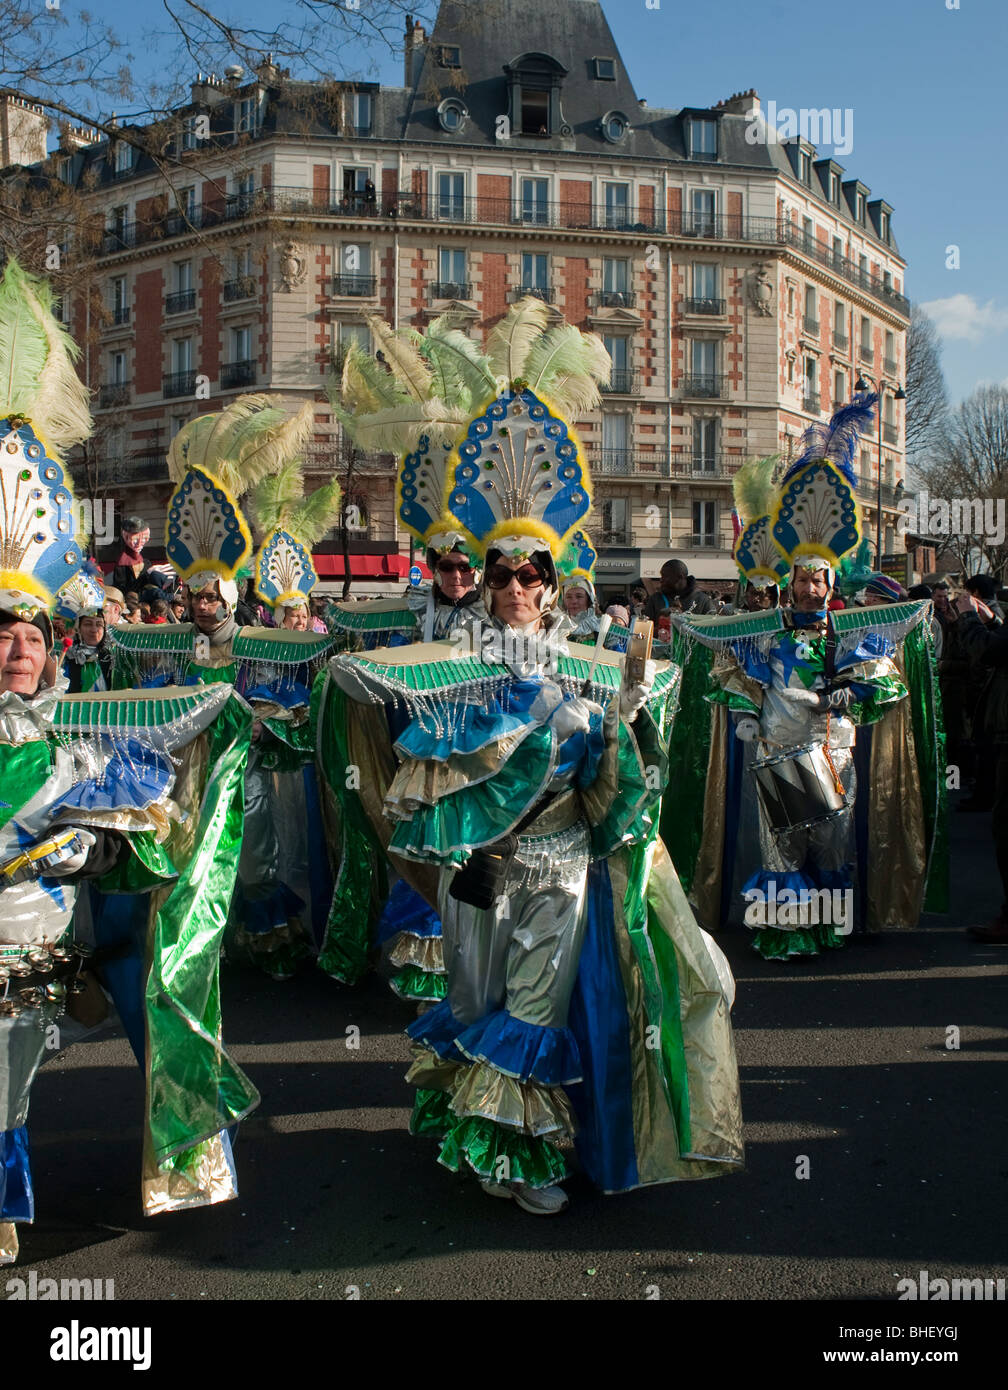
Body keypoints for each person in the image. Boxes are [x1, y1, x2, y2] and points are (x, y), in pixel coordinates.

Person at [329, 378, 743, 1213]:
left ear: (554, 585)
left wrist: (626, 714)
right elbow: (371, 713)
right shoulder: (450, 675)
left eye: (532, 573)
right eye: (501, 573)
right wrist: (459, 850)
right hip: (479, 873)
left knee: (532, 1012)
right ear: (481, 583)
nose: (516, 586)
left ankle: (521, 1159)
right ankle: (475, 1131)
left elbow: (620, 783)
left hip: (561, 867)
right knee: (475, 1004)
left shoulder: (589, 668)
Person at [666, 403, 947, 958]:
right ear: (790, 581)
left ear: (831, 581)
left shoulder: (848, 631)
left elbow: (882, 678)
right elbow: (728, 665)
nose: (810, 589)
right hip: (775, 748)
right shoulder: (766, 632)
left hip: (834, 753)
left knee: (829, 845)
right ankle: (789, 932)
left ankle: (831, 925)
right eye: (802, 579)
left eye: (820, 580)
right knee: (781, 850)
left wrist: (833, 695)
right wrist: (749, 713)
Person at [643, 558, 715, 625]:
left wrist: (683, 620)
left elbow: (712, 630)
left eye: (665, 576)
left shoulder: (702, 600)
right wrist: (663, 623)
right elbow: (645, 630)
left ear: (680, 577)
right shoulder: (655, 599)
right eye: (661, 576)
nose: (661, 580)